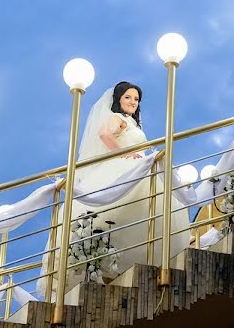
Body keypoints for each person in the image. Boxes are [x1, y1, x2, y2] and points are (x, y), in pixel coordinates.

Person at [39, 81, 191, 298]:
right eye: (128, 97)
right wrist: (124, 153)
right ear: (119, 99)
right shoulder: (118, 118)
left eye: (136, 99)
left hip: (138, 167)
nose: (132, 102)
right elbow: (104, 134)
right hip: (125, 167)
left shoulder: (132, 123)